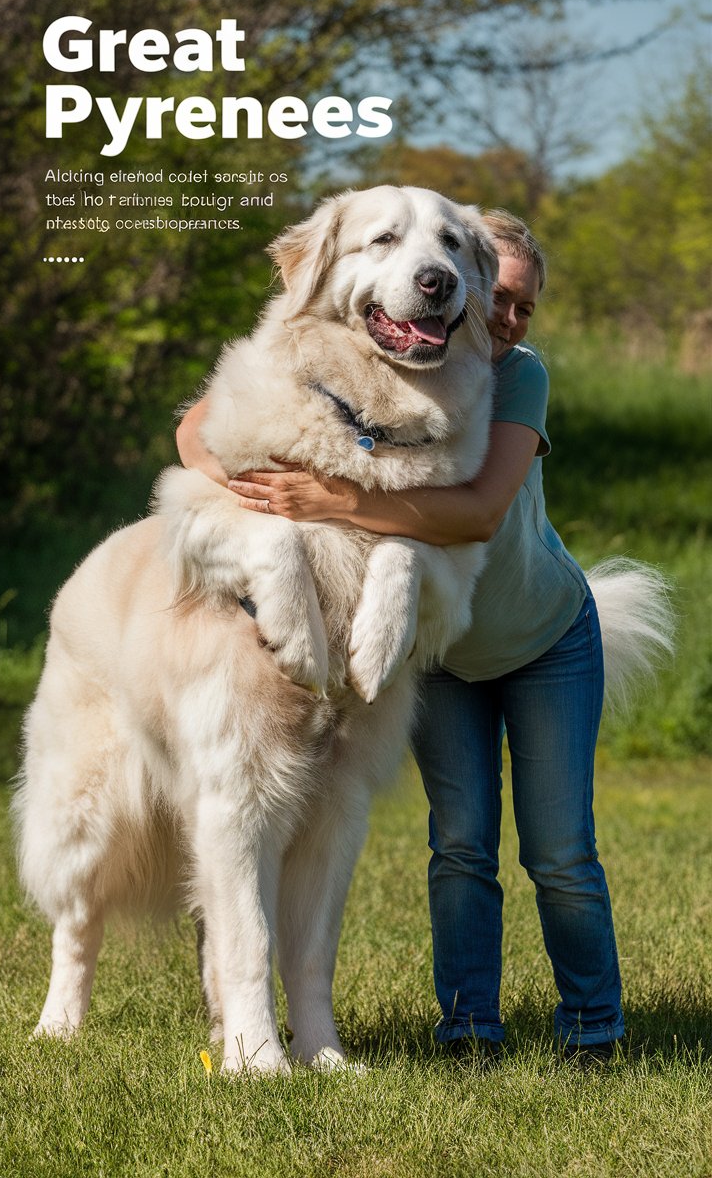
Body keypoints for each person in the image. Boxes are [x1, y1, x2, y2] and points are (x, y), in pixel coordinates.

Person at [176, 209, 625, 1063]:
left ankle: (594, 1029)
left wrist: (335, 502)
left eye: (520, 305)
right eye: (500, 299)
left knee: (561, 850)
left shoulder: (514, 378)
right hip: (439, 652)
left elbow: (477, 513)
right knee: (459, 844)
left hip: (544, 640)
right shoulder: (380, 366)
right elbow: (199, 430)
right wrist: (245, 482)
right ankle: (466, 1028)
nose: (502, 319)